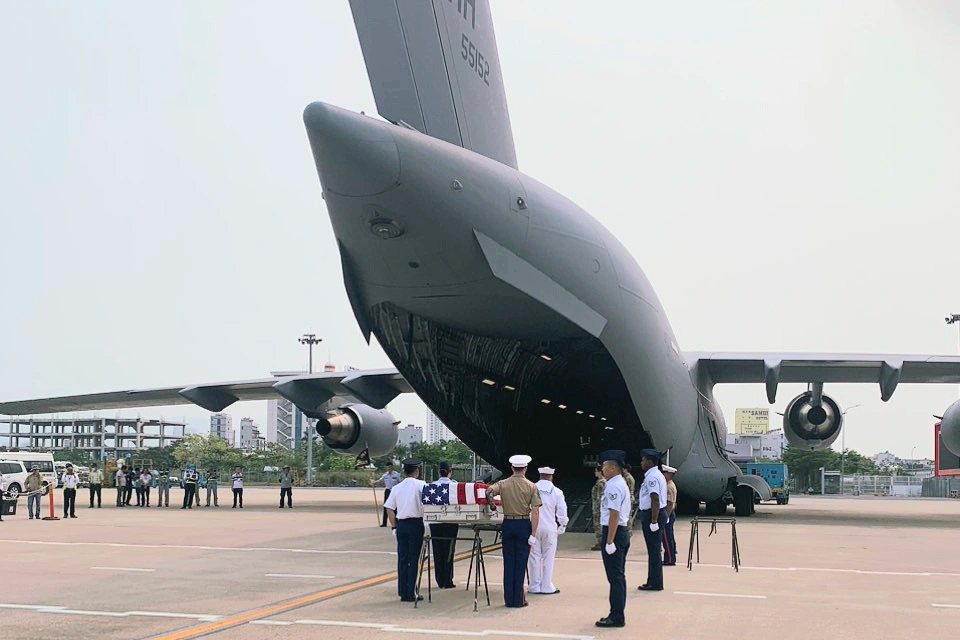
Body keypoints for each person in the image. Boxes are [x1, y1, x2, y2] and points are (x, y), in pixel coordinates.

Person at [486, 454, 541, 608]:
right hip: (523, 523)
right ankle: (518, 599)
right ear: (525, 468)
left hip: (508, 523)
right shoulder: (531, 486)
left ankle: (508, 599)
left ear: (511, 468)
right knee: (521, 562)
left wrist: (492, 505)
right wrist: (533, 534)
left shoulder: (503, 484)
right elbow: (535, 512)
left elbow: (489, 491)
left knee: (509, 562)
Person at [595, 450, 631, 628]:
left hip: (614, 533)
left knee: (615, 577)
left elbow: (614, 514)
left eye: (605, 466)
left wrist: (609, 541)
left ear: (613, 468)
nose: (602, 469)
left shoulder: (614, 486)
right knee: (617, 577)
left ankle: (616, 616)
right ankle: (616, 613)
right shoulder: (616, 483)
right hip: (618, 532)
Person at [383, 457, 427, 602]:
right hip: (415, 524)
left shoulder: (396, 488)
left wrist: (394, 526)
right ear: (417, 472)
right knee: (414, 559)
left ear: (403, 472)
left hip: (401, 525)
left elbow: (389, 508)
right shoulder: (422, 485)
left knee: (402, 559)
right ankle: (411, 592)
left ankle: (402, 592)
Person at [528, 466, 569, 595]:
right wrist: (562, 524)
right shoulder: (557, 492)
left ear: (540, 475)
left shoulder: (531, 488)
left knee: (534, 557)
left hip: (533, 527)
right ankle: (546, 586)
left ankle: (534, 585)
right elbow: (562, 510)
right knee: (548, 558)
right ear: (551, 476)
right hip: (550, 528)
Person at [637, 449, 668, 592]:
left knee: (654, 550)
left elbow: (655, 499)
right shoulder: (656, 475)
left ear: (650, 461)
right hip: (655, 513)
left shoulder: (652, 477)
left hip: (652, 514)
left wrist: (654, 521)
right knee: (653, 550)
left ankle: (655, 583)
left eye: (643, 460)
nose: (641, 462)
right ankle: (653, 580)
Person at [429, 461, 459, 588]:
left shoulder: (431, 486)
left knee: (437, 551)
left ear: (438, 472)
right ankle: (448, 580)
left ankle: (439, 580)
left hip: (435, 522)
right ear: (449, 472)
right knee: (448, 551)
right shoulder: (455, 485)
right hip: (450, 522)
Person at [373, 462, 402, 527]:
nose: (388, 468)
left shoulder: (397, 474)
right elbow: (380, 481)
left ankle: (396, 522)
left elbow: (401, 482)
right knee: (386, 506)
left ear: (392, 467)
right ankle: (384, 523)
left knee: (395, 507)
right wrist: (374, 482)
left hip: (394, 491)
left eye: (389, 467)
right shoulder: (385, 475)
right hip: (387, 491)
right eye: (387, 467)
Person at [661, 465, 678, 566]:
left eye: (664, 473)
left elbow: (670, 503)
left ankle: (670, 559)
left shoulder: (669, 487)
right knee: (668, 537)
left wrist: (665, 517)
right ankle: (669, 557)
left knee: (667, 538)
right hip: (669, 513)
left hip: (668, 513)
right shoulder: (668, 484)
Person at [590, 465, 606, 551]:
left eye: (596, 471)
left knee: (598, 525)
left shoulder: (601, 483)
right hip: (598, 507)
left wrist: (598, 509)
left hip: (598, 508)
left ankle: (600, 542)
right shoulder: (601, 482)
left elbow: (600, 497)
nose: (595, 472)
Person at [622, 463, 637, 536]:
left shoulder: (627, 478)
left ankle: (629, 530)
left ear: (625, 469)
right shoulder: (629, 477)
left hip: (628, 497)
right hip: (630, 497)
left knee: (628, 515)